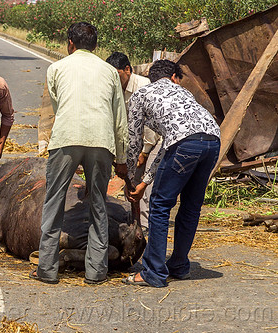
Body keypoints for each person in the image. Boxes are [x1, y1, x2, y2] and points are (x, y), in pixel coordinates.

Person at [30, 22, 128, 285]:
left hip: (66, 139)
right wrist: (121, 159)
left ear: (70, 44)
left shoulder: (57, 68)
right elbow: (120, 118)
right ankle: (96, 272)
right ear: (95, 46)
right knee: (98, 205)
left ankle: (47, 270)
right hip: (101, 140)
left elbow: (58, 105)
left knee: (54, 203)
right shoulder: (109, 71)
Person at [122, 60, 221, 288]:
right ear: (174, 77)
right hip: (212, 141)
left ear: (150, 78)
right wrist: (145, 182)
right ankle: (178, 266)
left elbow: (134, 143)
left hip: (185, 143)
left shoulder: (141, 94)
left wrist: (129, 177)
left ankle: (154, 273)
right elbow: (170, 144)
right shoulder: (183, 93)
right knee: (190, 207)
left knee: (160, 206)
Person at [106, 52, 161, 231]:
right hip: (133, 142)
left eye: (117, 75)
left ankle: (144, 227)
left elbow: (151, 126)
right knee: (130, 182)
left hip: (154, 140)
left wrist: (144, 152)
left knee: (146, 184)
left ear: (127, 70)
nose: (113, 80)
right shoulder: (113, 88)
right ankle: (133, 221)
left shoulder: (144, 87)